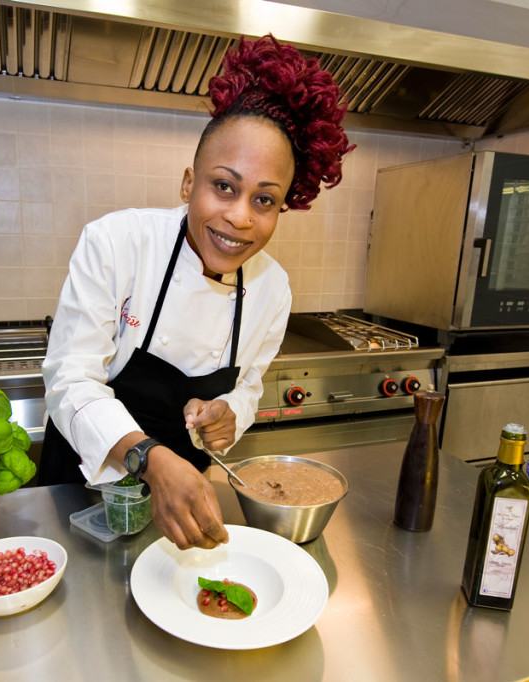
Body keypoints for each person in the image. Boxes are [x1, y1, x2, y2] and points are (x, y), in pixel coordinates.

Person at [39, 34, 352, 550]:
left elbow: (248, 387)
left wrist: (228, 414)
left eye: (265, 200)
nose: (239, 217)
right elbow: (70, 380)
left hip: (183, 504)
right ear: (189, 183)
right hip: (80, 492)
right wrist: (150, 460)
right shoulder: (118, 242)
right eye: (224, 186)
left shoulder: (271, 289)